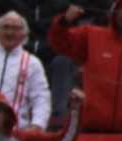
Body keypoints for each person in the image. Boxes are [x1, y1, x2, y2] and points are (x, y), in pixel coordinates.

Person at [49, 1, 122, 132]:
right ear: (115, 12)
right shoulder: (91, 36)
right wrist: (64, 21)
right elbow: (60, 43)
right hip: (91, 128)